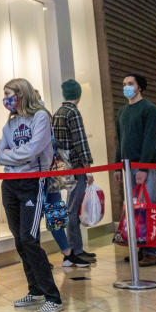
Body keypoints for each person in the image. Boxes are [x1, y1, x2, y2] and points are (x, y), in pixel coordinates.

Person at [0, 78, 63, 312]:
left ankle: (53, 297)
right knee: (19, 240)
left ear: (21, 94)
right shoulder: (10, 123)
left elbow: (34, 149)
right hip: (10, 185)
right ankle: (34, 290)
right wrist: (18, 156)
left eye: (9, 94)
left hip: (32, 184)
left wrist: (12, 155)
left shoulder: (41, 117)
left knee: (29, 239)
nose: (6, 99)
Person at [114, 73, 156, 267]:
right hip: (127, 166)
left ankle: (151, 251)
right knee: (134, 209)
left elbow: (150, 140)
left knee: (147, 207)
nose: (126, 87)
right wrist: (118, 165)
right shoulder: (122, 112)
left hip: (144, 166)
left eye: (130, 83)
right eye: (124, 84)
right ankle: (140, 247)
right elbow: (120, 140)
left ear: (139, 87)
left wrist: (143, 167)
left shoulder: (149, 109)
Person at [51, 79, 96, 267]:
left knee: (70, 207)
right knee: (73, 210)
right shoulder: (73, 113)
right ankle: (74, 251)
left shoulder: (57, 113)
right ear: (78, 94)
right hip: (76, 167)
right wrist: (88, 167)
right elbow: (80, 142)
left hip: (62, 167)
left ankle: (75, 248)